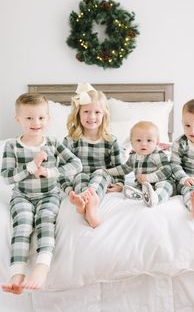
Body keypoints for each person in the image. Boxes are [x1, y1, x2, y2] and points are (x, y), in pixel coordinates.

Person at [1, 93, 82, 294]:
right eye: (29, 118)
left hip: (49, 195)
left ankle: (41, 267)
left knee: (45, 220)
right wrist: (31, 166)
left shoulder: (53, 143)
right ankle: (17, 275)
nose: (36, 122)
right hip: (22, 196)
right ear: (18, 119)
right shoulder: (11, 145)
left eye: (41, 117)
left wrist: (49, 172)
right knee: (23, 223)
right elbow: (7, 177)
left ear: (48, 119)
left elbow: (76, 164)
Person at [62, 83, 124, 228]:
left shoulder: (110, 141)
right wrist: (68, 190)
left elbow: (117, 169)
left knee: (100, 174)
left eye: (97, 112)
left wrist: (120, 185)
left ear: (104, 115)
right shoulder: (71, 141)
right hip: (79, 175)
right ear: (78, 114)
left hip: (102, 175)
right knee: (79, 176)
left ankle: (90, 203)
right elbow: (63, 171)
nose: (92, 116)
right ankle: (83, 201)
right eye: (86, 112)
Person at [104, 121, 174, 207]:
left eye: (149, 140)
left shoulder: (158, 154)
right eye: (138, 140)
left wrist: (148, 178)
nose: (143, 144)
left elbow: (166, 171)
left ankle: (155, 199)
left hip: (160, 181)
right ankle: (140, 195)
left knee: (165, 186)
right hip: (143, 186)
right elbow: (124, 168)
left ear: (157, 142)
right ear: (132, 143)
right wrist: (107, 171)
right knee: (137, 186)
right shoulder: (133, 157)